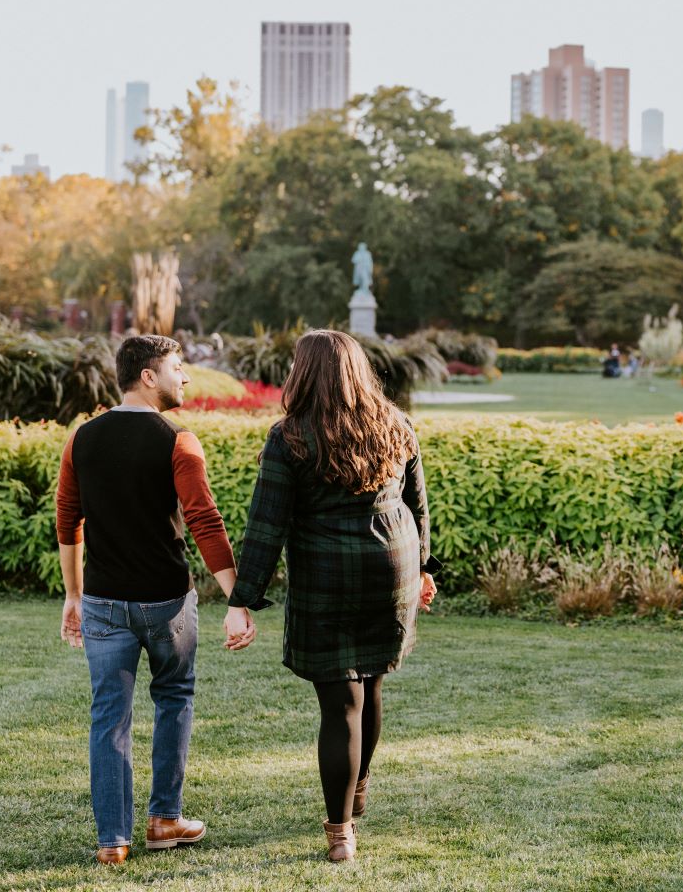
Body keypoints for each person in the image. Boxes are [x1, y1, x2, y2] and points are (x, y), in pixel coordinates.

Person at [226, 329, 439, 863]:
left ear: (304, 374)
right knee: (372, 683)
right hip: (391, 571)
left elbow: (265, 525)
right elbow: (418, 507)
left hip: (327, 578)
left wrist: (240, 599)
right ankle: (358, 788)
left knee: (341, 704)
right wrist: (424, 568)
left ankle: (341, 832)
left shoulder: (289, 436)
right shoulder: (396, 424)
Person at [55, 334, 249, 867]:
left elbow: (67, 520)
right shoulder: (178, 440)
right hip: (166, 603)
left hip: (102, 601)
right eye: (177, 367)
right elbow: (205, 520)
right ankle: (165, 819)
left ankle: (112, 841)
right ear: (147, 375)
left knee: (108, 717)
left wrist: (73, 595)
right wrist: (238, 597)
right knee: (174, 697)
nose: (184, 377)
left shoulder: (82, 439)